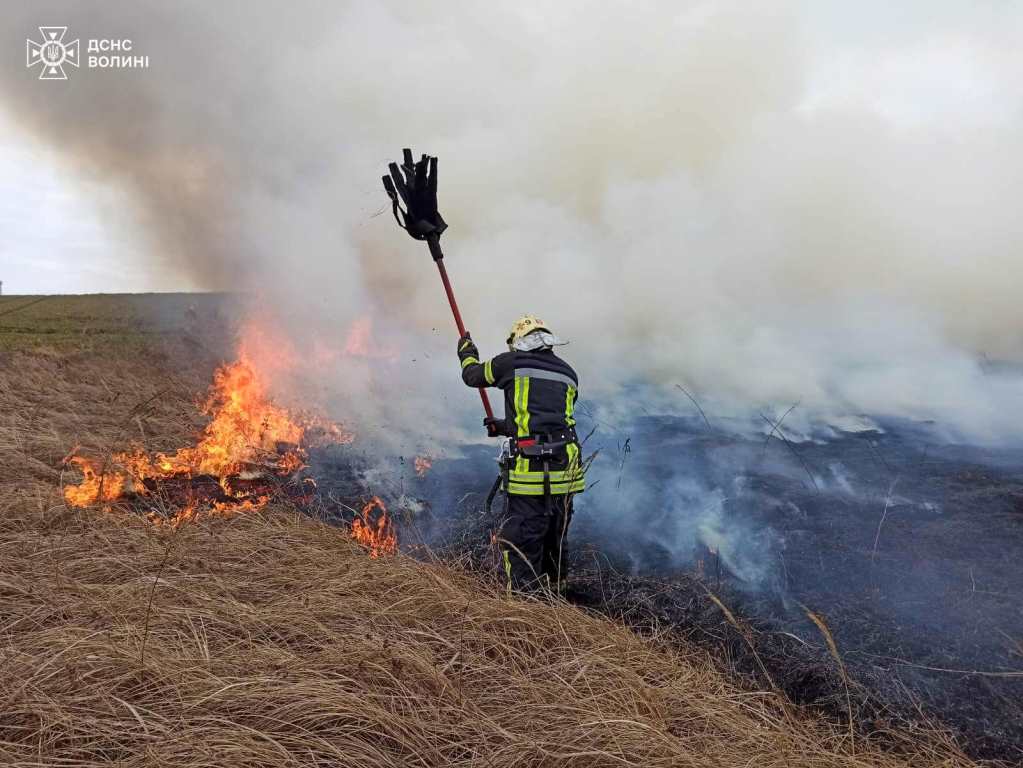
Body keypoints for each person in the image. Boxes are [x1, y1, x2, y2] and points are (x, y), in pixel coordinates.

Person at [458, 315, 584, 593]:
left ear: (518, 343)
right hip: (568, 470)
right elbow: (549, 420)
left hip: (532, 472)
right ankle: (557, 596)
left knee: (520, 539)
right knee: (555, 535)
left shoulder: (509, 362)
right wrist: (505, 427)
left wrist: (467, 352)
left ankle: (527, 610)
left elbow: (472, 376)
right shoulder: (569, 373)